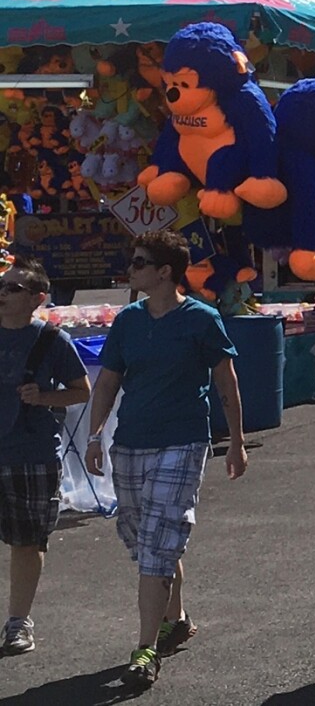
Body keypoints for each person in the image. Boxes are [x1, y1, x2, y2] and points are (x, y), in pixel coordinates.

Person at [83, 230, 247, 690]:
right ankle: (176, 618)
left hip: (183, 442)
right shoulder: (129, 321)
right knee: (144, 538)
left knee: (158, 540)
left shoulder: (202, 318)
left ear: (164, 272)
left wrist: (235, 441)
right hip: (131, 442)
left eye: (137, 263)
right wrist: (96, 436)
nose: (130, 270)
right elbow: (108, 382)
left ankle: (144, 649)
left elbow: (226, 382)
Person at [0, 256, 89, 655]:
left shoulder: (53, 341)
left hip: (31, 453)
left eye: (13, 288)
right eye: (2, 285)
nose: (2, 292)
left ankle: (18, 622)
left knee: (27, 541)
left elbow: (82, 391)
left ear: (38, 298)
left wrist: (44, 397)